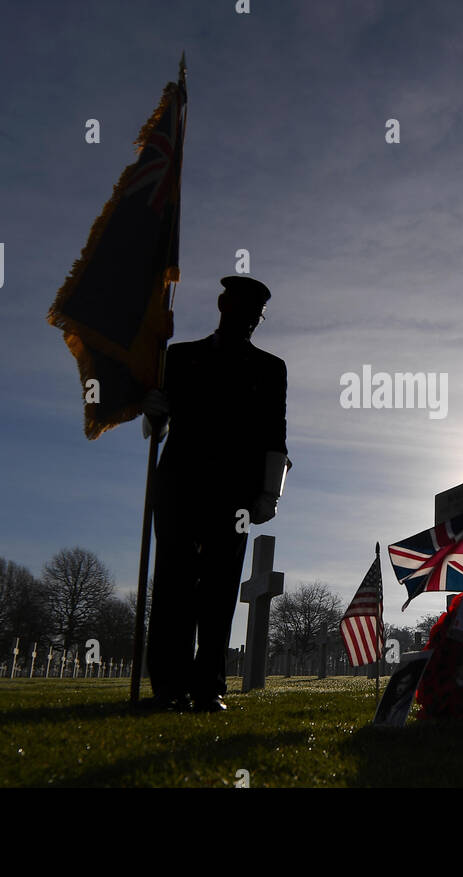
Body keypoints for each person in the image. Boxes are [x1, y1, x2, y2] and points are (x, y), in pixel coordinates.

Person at [138, 275, 289, 712]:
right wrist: (152, 412)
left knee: (221, 588)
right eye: (241, 310)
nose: (249, 321)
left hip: (234, 491)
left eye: (255, 315)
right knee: (173, 583)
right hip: (179, 483)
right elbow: (158, 426)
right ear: (223, 308)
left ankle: (208, 686)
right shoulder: (181, 357)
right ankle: (168, 686)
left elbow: (274, 436)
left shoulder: (269, 368)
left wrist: (269, 494)